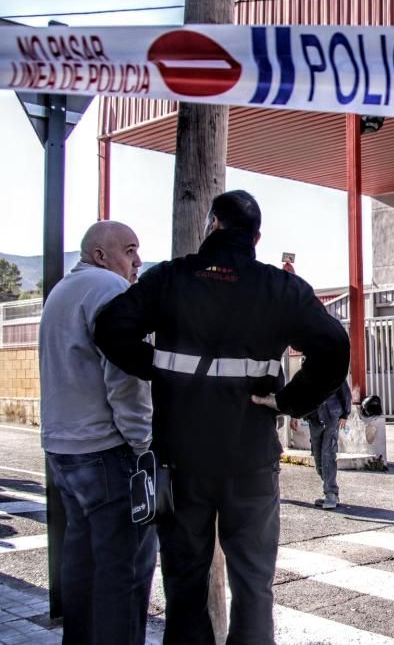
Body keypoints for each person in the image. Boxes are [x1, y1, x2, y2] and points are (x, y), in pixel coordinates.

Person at [94, 190, 350, 645]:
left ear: (211, 224)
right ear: (256, 237)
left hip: (180, 459)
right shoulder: (280, 288)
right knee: (253, 584)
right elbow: (334, 348)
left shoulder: (170, 279)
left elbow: (111, 327)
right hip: (249, 458)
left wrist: (155, 368)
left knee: (184, 585)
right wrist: (288, 402)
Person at [39, 221, 156, 645]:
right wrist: (144, 444)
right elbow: (126, 377)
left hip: (64, 448)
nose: (138, 260)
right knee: (124, 570)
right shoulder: (110, 289)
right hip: (106, 450)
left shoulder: (61, 292)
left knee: (82, 561)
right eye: (130, 249)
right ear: (101, 255)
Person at [303, 379, 352, 509]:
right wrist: (294, 416)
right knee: (318, 458)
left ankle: (331, 493)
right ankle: (329, 492)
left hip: (332, 416)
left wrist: (345, 414)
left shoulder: (334, 367)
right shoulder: (306, 370)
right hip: (314, 418)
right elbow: (300, 393)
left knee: (327, 453)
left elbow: (345, 392)